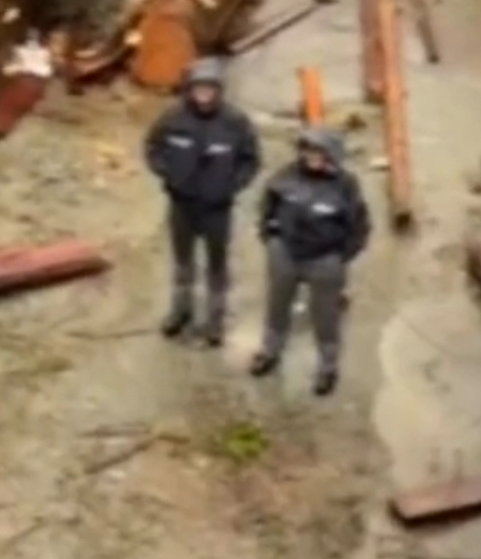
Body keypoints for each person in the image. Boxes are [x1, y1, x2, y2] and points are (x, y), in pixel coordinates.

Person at [145, 57, 260, 346]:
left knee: (216, 265)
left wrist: (231, 186)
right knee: (183, 262)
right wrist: (168, 174)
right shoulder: (173, 118)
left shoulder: (235, 123)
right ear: (190, 90)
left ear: (219, 90)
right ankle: (181, 310)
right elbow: (152, 147)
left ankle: (215, 319)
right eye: (199, 89)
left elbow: (251, 160)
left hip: (217, 210)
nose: (204, 94)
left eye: (210, 89)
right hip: (182, 205)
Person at [250, 126, 370, 395]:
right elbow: (267, 209)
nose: (313, 157)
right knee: (277, 306)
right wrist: (272, 241)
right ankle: (269, 351)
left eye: (319, 152)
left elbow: (359, 226)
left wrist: (340, 256)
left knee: (326, 316)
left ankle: (327, 367)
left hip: (325, 261)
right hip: (285, 255)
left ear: (331, 155)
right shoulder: (285, 176)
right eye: (308, 151)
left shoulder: (346, 186)